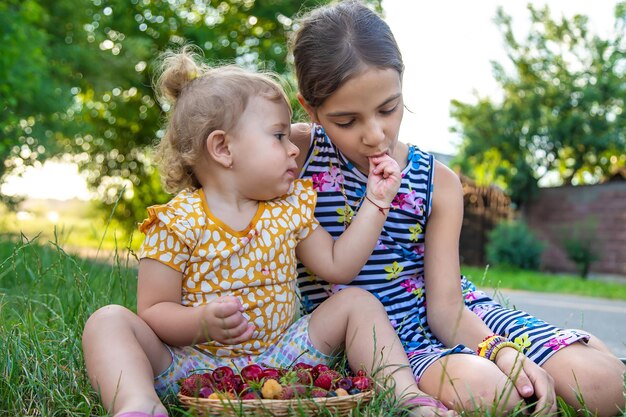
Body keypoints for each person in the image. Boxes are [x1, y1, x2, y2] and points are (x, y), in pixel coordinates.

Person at [288, 1, 626, 416]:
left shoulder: (437, 181)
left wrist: (500, 350)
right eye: (346, 121)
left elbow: (447, 310)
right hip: (385, 340)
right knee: (497, 396)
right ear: (310, 109)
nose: (374, 135)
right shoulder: (291, 154)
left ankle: (574, 354)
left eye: (388, 108)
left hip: (455, 312)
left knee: (604, 386)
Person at [82, 46, 457, 417]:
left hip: (284, 357)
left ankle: (405, 394)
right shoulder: (176, 222)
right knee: (109, 321)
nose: (294, 148)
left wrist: (376, 202)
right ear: (223, 148)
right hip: (192, 363)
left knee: (357, 302)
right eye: (278, 136)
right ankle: (139, 403)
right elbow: (152, 311)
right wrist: (201, 324)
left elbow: (338, 266)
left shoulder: (289, 208)